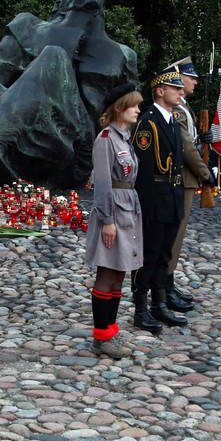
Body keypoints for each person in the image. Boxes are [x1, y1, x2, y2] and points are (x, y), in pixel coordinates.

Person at [85, 84, 144, 358]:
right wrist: (108, 220)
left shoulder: (124, 138)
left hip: (128, 210)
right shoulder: (106, 139)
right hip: (113, 214)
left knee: (120, 272)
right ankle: (102, 336)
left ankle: (111, 330)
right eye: (134, 105)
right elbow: (103, 184)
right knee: (107, 273)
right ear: (119, 108)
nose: (138, 109)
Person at [130, 69, 187, 332]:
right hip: (154, 198)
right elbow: (142, 171)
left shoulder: (173, 120)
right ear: (160, 91)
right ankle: (141, 309)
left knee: (165, 254)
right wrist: (145, 208)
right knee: (148, 256)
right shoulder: (148, 123)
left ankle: (160, 303)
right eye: (175, 88)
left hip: (172, 196)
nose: (181, 91)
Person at [164, 57, 213, 313]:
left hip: (186, 178)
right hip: (181, 177)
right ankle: (164, 288)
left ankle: (168, 284)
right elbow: (185, 147)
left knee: (177, 237)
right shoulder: (175, 109)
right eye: (190, 77)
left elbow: (190, 140)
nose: (194, 81)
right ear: (178, 79)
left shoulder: (183, 108)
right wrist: (205, 173)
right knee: (173, 237)